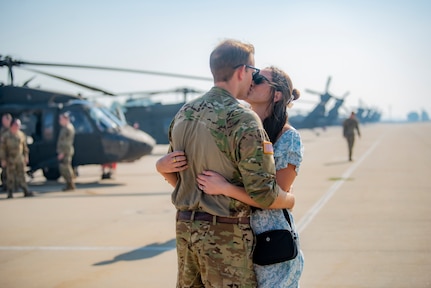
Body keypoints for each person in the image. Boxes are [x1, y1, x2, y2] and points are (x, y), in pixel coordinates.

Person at [155, 39, 295, 287]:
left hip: (186, 231)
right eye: (253, 73)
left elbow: (175, 173)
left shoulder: (184, 113)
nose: (253, 79)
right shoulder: (243, 119)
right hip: (226, 237)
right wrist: (291, 199)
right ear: (242, 71)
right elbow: (263, 195)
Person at [0, 118, 33, 198]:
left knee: (22, 175)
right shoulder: (6, 135)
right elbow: (2, 149)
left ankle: (25, 190)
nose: (18, 126)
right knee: (10, 176)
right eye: (17, 125)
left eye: (19, 125)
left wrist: (26, 156)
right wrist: (3, 159)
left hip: (19, 158)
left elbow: (25, 147)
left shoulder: (21, 135)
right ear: (12, 125)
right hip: (10, 159)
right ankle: (10, 192)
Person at [57, 112, 76, 191]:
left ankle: (70, 184)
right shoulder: (65, 128)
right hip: (65, 151)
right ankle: (69, 184)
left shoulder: (68, 128)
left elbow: (66, 142)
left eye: (61, 119)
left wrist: (62, 152)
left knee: (66, 167)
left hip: (66, 151)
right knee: (64, 167)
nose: (60, 121)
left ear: (65, 119)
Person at [0, 113, 12, 191]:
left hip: (11, 154)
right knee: (4, 172)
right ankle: (5, 186)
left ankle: (11, 187)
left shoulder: (13, 130)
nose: (3, 121)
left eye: (4, 120)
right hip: (3, 153)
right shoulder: (2, 130)